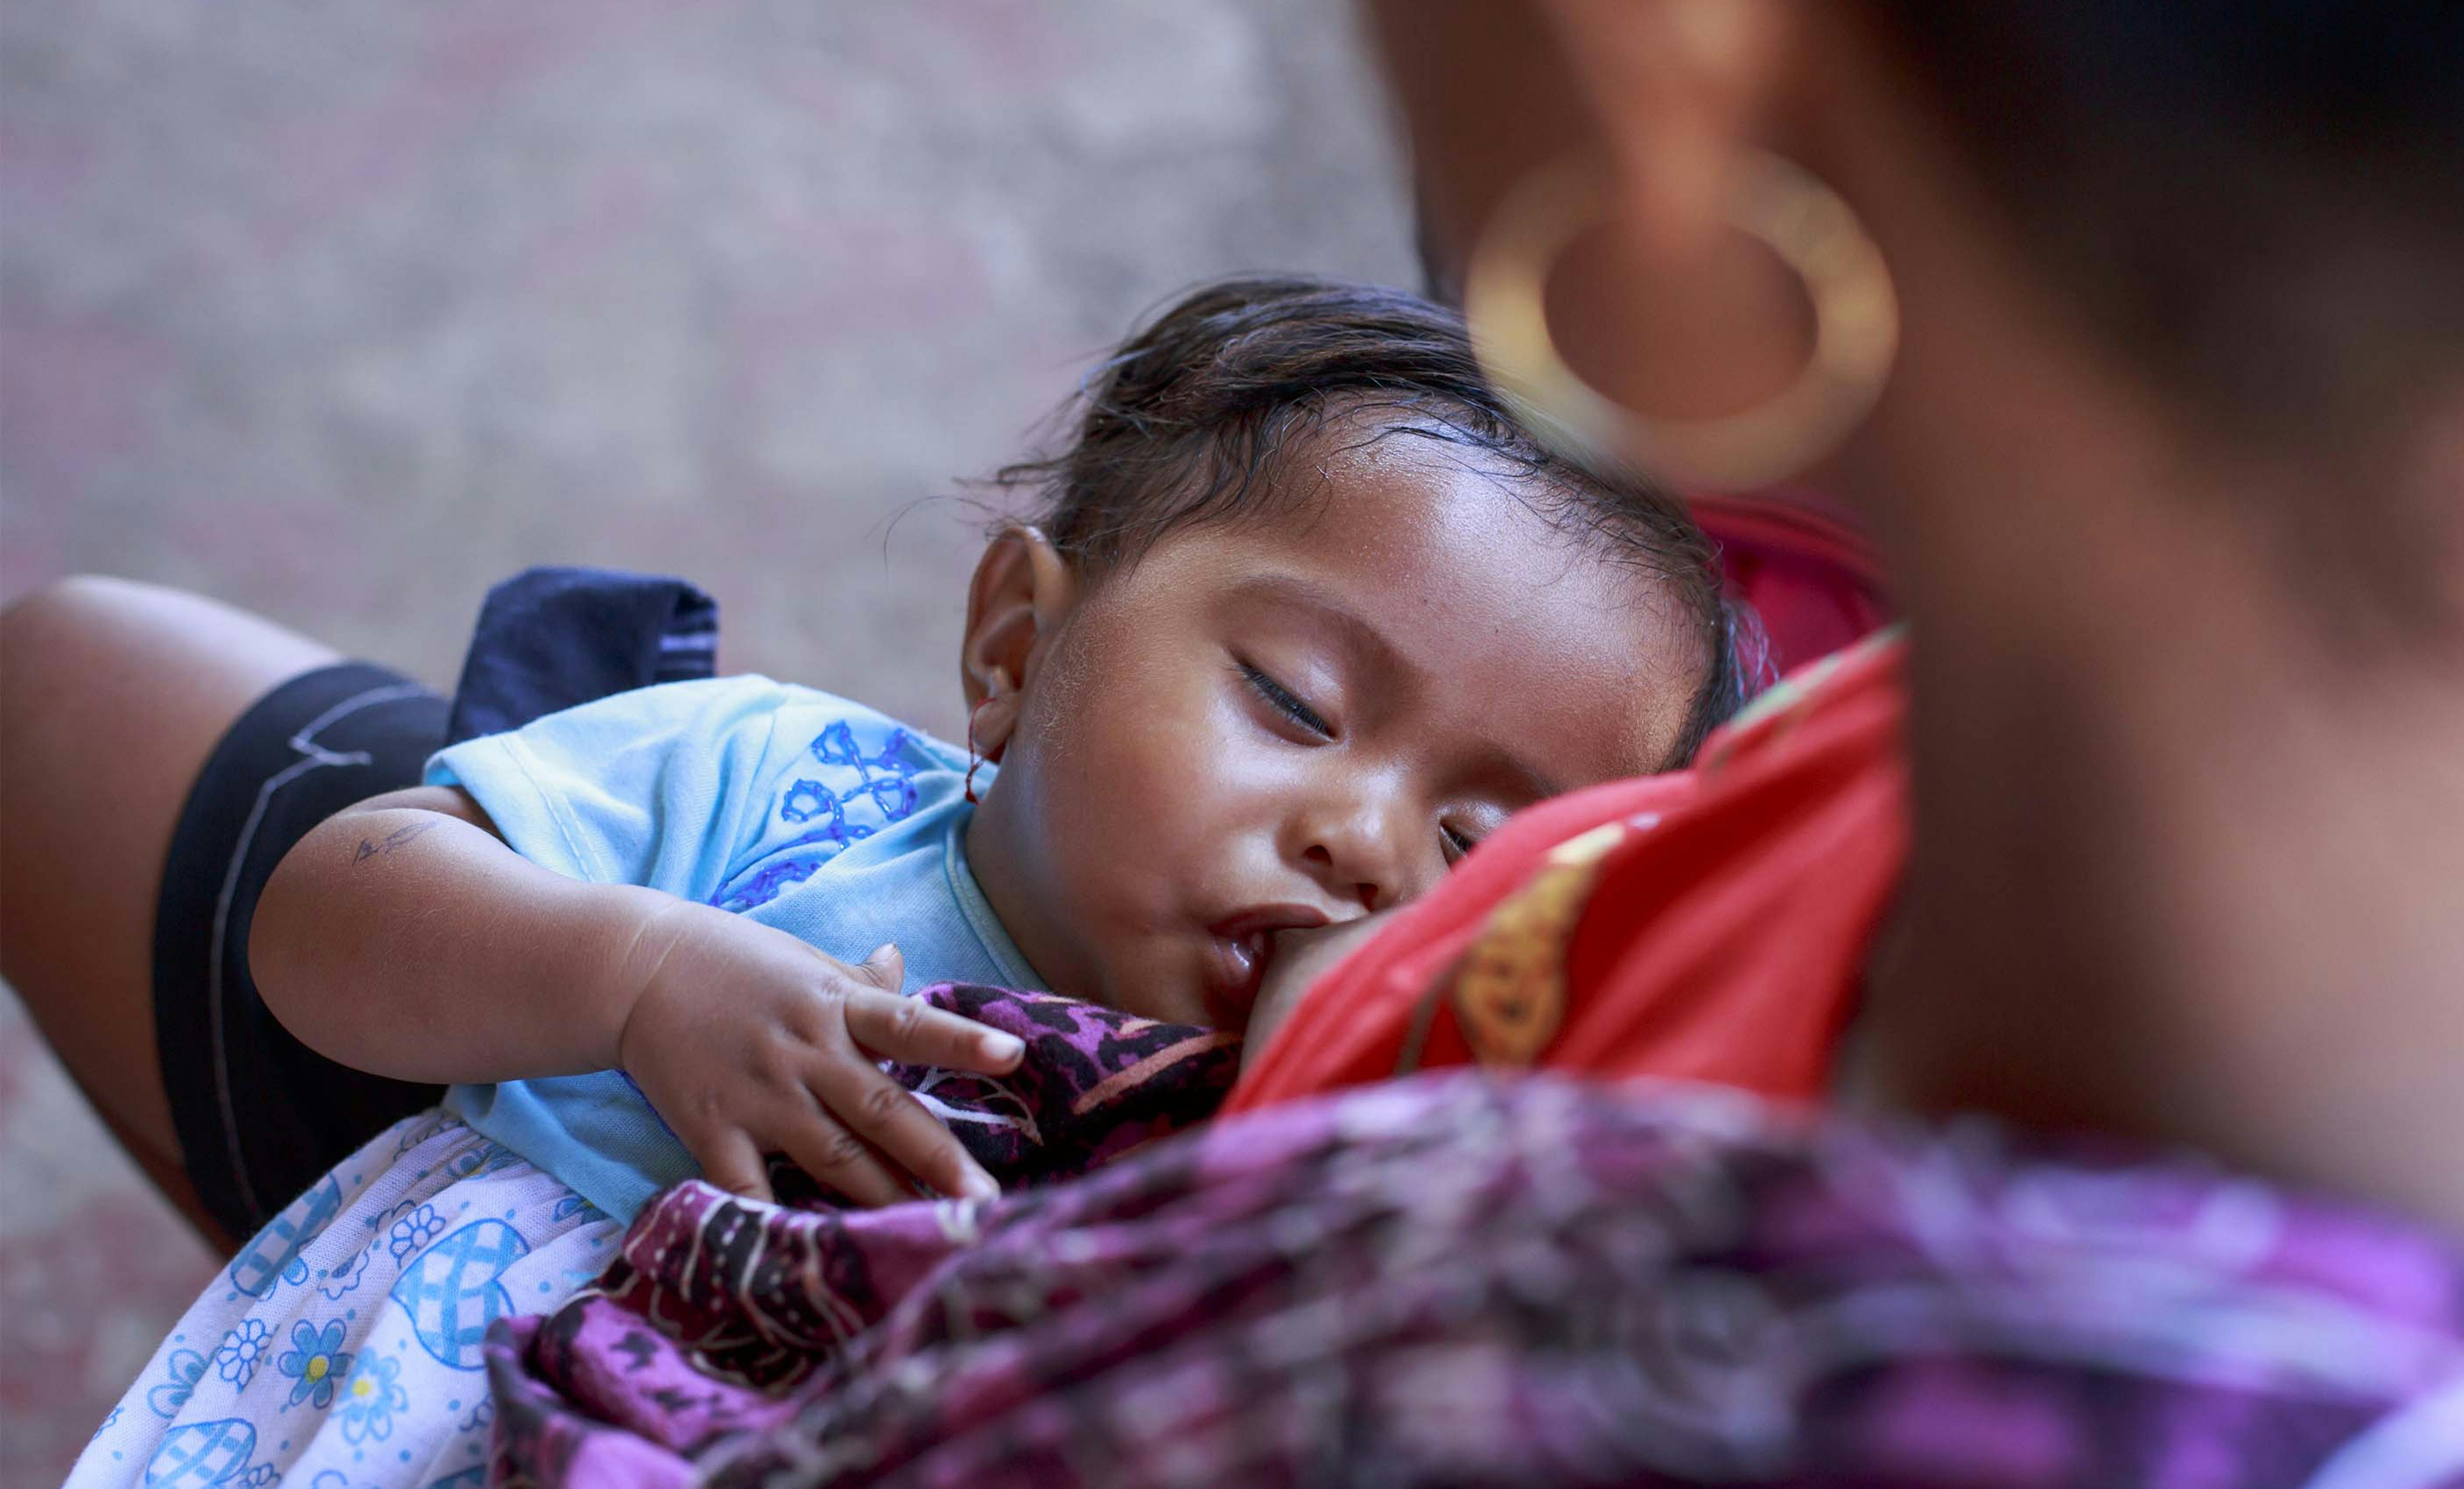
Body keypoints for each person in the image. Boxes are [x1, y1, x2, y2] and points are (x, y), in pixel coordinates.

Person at [482, 0, 2464, 1481]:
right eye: (1294, 694)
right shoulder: (1904, 816)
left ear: (1645, 17)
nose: (1371, 842)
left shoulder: (1402, 1338)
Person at [11, 276, 1751, 1487]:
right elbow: (326, 917)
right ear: (1012, 642)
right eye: (1294, 702)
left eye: (1471, 846)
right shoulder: (786, 793)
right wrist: (624, 977)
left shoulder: (1367, 1141)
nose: (1364, 845)